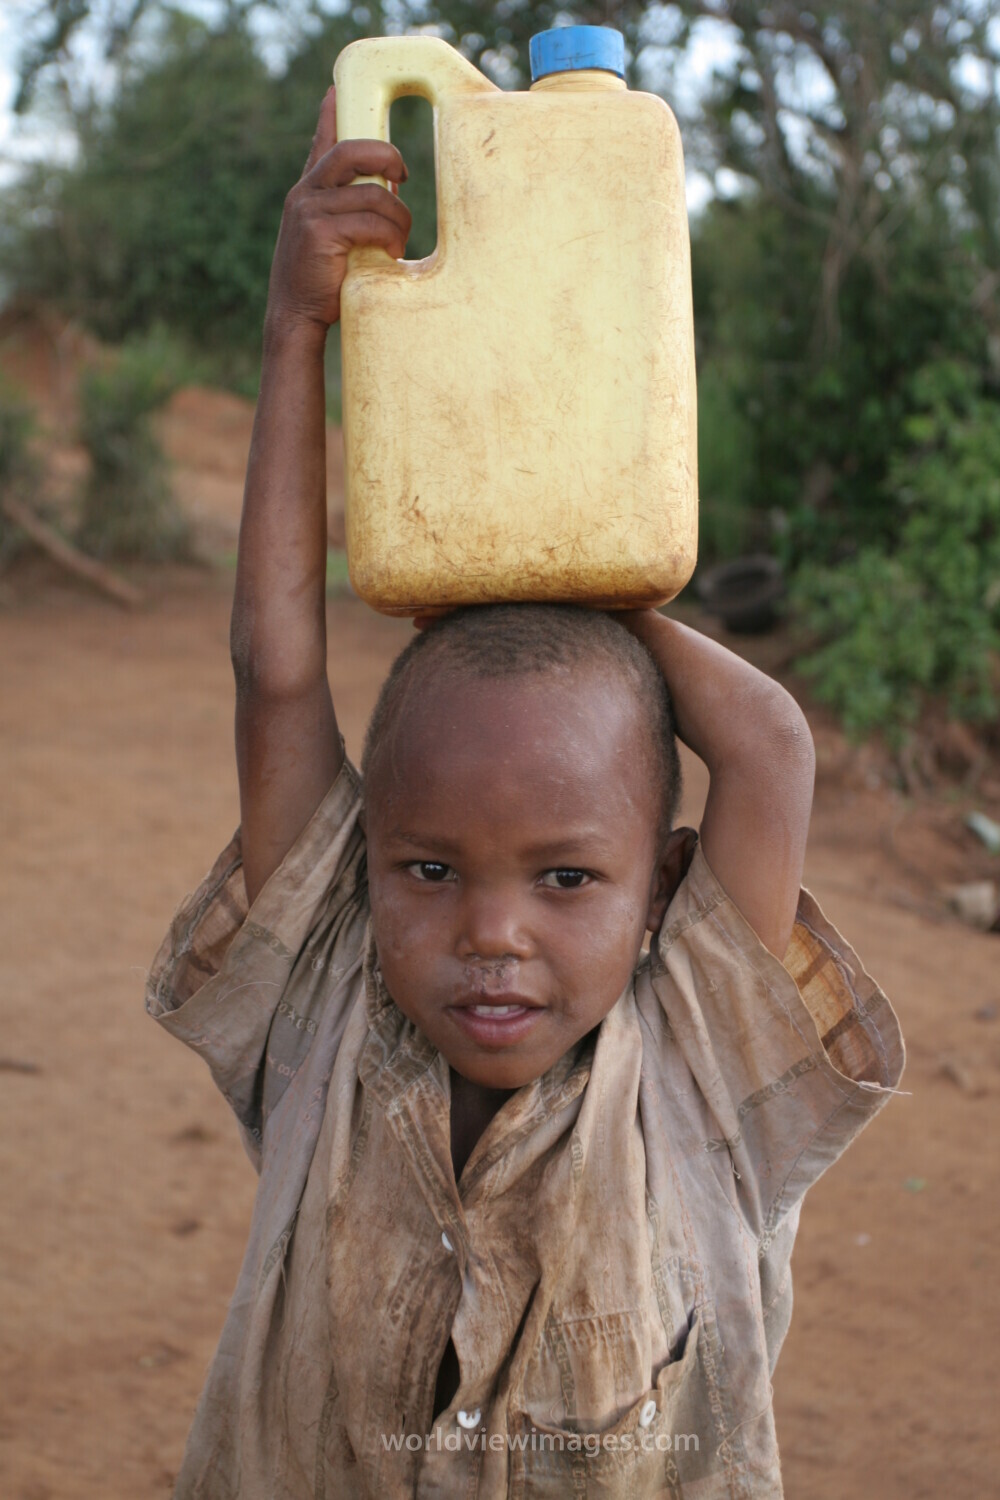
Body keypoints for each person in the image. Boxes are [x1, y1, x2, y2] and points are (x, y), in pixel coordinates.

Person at [146, 90, 904, 1499]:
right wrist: (295, 327)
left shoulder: (698, 1059)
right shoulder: (322, 999)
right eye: (430, 869)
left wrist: (570, 573)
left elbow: (768, 748)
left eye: (566, 877)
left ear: (663, 886)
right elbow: (275, 673)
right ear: (359, 869)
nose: (493, 933)